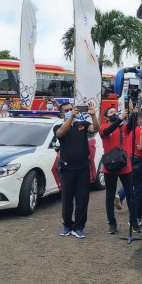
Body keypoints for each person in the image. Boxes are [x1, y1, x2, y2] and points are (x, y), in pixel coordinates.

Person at [56, 101, 100, 238]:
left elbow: (96, 129)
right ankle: (67, 225)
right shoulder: (59, 126)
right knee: (67, 198)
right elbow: (60, 134)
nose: (71, 111)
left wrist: (93, 116)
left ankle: (79, 227)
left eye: (72, 109)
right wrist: (70, 118)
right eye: (67, 110)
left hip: (82, 168)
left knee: (82, 199)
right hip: (67, 168)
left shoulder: (83, 124)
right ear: (62, 113)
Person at [100, 105, 139, 235]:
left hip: (124, 166)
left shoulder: (123, 127)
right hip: (109, 167)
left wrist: (134, 114)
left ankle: (134, 222)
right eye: (111, 112)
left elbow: (131, 125)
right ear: (106, 117)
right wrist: (120, 119)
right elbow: (107, 131)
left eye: (115, 111)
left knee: (130, 195)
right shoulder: (104, 127)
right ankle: (112, 224)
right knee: (109, 196)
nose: (115, 113)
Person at [117, 103, 142, 216]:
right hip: (139, 159)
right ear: (139, 119)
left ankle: (120, 195)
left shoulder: (127, 129)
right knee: (138, 185)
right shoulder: (139, 130)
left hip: (128, 158)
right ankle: (137, 206)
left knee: (130, 181)